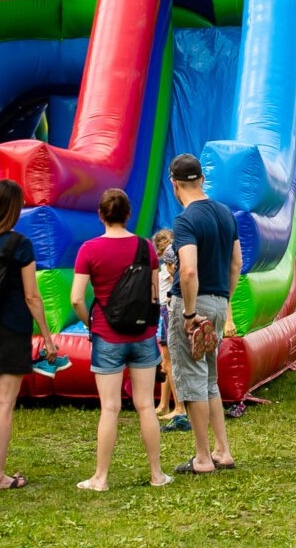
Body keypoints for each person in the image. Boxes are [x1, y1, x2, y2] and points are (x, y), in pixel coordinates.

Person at [69, 189, 169, 491]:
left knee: (110, 407)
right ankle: (156, 474)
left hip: (107, 336)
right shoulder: (145, 247)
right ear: (128, 214)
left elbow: (76, 299)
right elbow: (153, 293)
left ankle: (100, 477)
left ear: (101, 215)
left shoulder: (89, 250)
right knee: (145, 406)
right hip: (142, 335)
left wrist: (92, 321)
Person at [0, 179, 57, 490]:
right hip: (12, 328)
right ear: (13, 209)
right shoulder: (21, 244)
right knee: (5, 403)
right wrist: (46, 335)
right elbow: (32, 296)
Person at [166, 153, 241, 475]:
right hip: (219, 302)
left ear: (174, 184)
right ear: (202, 180)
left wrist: (188, 312)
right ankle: (222, 450)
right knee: (209, 378)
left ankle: (202, 458)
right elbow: (236, 263)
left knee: (192, 381)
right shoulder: (225, 214)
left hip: (194, 307)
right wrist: (224, 300)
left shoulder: (186, 220)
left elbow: (188, 270)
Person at [152, 229, 186, 428]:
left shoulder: (171, 270)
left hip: (169, 310)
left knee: (170, 361)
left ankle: (179, 406)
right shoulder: (166, 269)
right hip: (165, 310)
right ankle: (164, 403)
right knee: (166, 362)